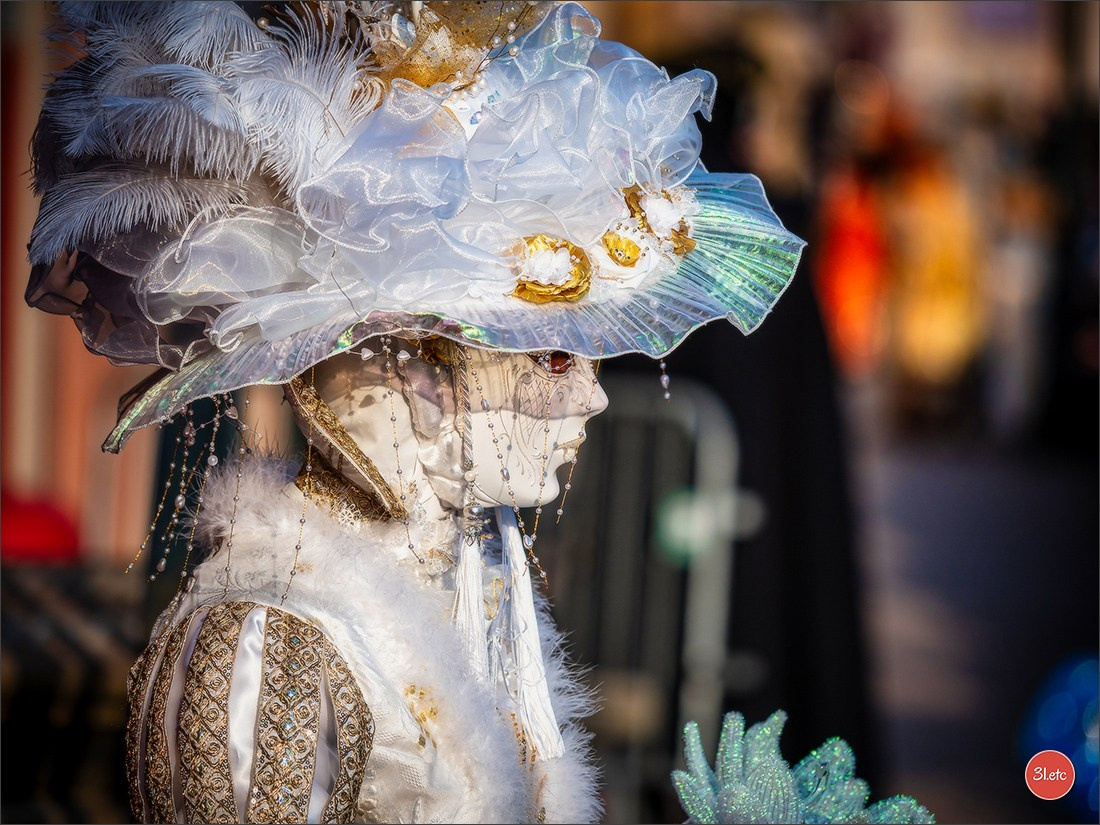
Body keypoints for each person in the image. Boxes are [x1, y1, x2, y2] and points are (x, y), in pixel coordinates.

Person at [25, 2, 802, 822]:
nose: (595, 395)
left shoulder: (471, 572)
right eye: (553, 358)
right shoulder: (269, 637)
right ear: (419, 382)